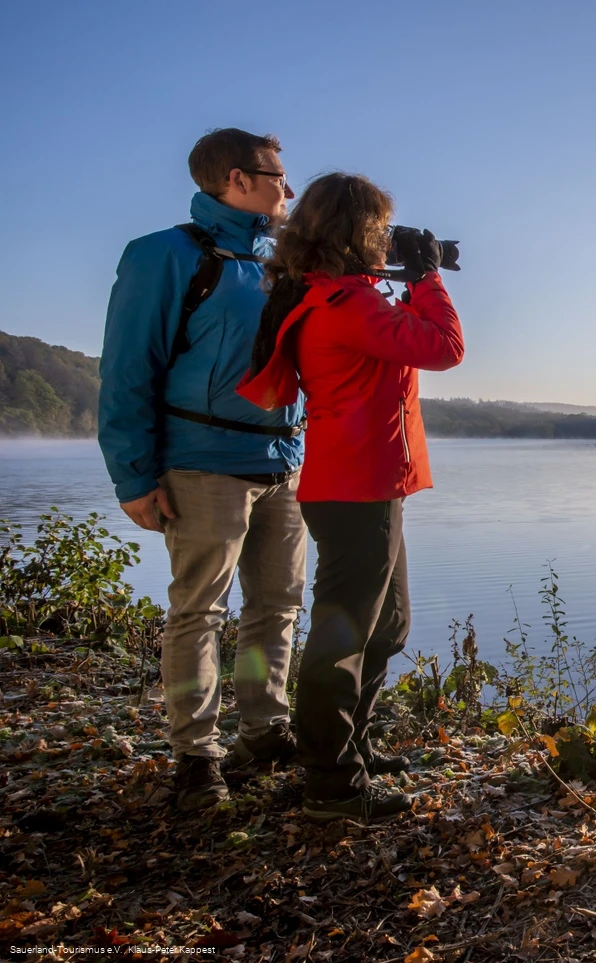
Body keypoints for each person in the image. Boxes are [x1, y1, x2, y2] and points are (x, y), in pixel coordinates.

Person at [239, 172, 464, 822]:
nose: (387, 239)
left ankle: (350, 750)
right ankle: (331, 782)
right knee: (342, 638)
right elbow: (444, 347)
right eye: (381, 229)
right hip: (356, 489)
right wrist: (428, 277)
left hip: (369, 486)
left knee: (386, 627)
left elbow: (408, 340)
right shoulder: (344, 305)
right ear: (356, 232)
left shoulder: (343, 296)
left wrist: (410, 278)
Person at [98, 128, 306, 812]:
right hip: (203, 465)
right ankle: (196, 756)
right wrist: (134, 476)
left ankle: (265, 730)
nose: (289, 188)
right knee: (200, 612)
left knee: (278, 607)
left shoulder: (284, 262)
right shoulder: (165, 254)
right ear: (236, 180)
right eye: (276, 176)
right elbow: (128, 370)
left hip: (283, 464)